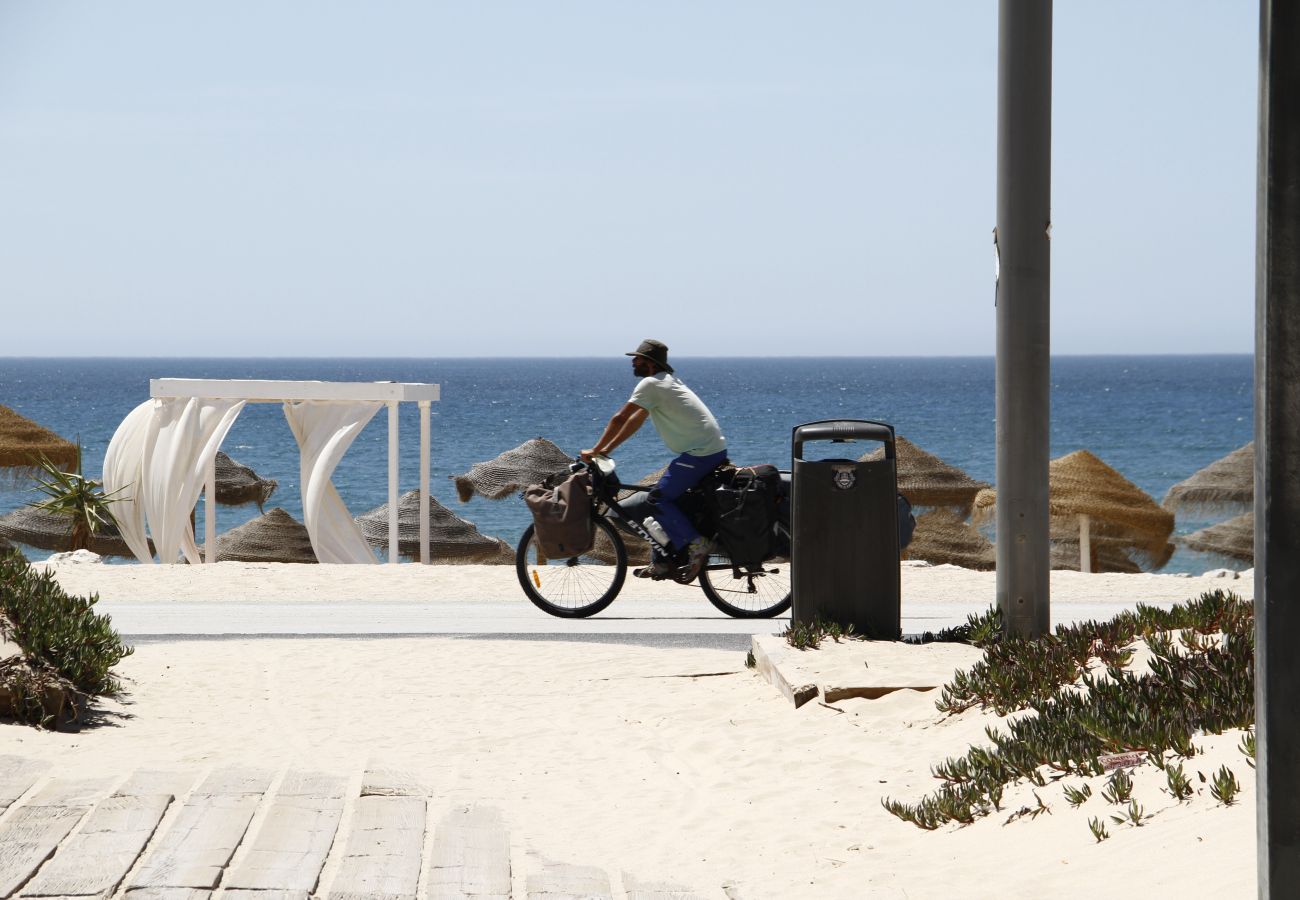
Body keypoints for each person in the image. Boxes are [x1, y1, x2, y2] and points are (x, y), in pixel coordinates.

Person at [581, 339, 727, 580]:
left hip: (701, 452)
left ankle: (697, 545)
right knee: (664, 498)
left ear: (649, 363)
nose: (632, 362)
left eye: (637, 358)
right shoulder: (663, 384)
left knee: (657, 498)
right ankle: (662, 562)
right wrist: (606, 450)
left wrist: (595, 450)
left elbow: (620, 418)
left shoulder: (651, 384)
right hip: (707, 450)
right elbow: (635, 421)